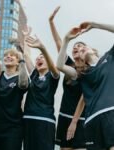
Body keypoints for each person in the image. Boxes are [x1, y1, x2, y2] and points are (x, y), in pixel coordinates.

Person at [57, 21, 114, 150]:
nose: (81, 49)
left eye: (84, 47)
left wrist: (95, 25)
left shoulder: (109, 58)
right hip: (91, 121)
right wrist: (66, 39)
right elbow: (59, 66)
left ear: (93, 50)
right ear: (81, 59)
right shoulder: (82, 73)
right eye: (80, 51)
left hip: (110, 114)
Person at [49, 6, 86, 150]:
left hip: (80, 118)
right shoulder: (69, 65)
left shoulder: (89, 71)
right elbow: (60, 44)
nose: (76, 47)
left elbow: (84, 97)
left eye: (81, 47)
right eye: (74, 46)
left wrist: (75, 121)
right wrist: (51, 22)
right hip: (64, 116)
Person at [23, 35, 60, 150]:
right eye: (37, 58)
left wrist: (42, 49)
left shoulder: (53, 76)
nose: (39, 59)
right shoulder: (34, 74)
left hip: (45, 120)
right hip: (28, 119)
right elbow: (26, 55)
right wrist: (25, 37)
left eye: (42, 57)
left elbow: (54, 68)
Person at [0, 48, 29, 150]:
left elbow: (24, 84)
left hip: (13, 127)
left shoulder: (20, 77)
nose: (8, 56)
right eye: (6, 55)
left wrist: (22, 60)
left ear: (18, 62)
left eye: (12, 55)